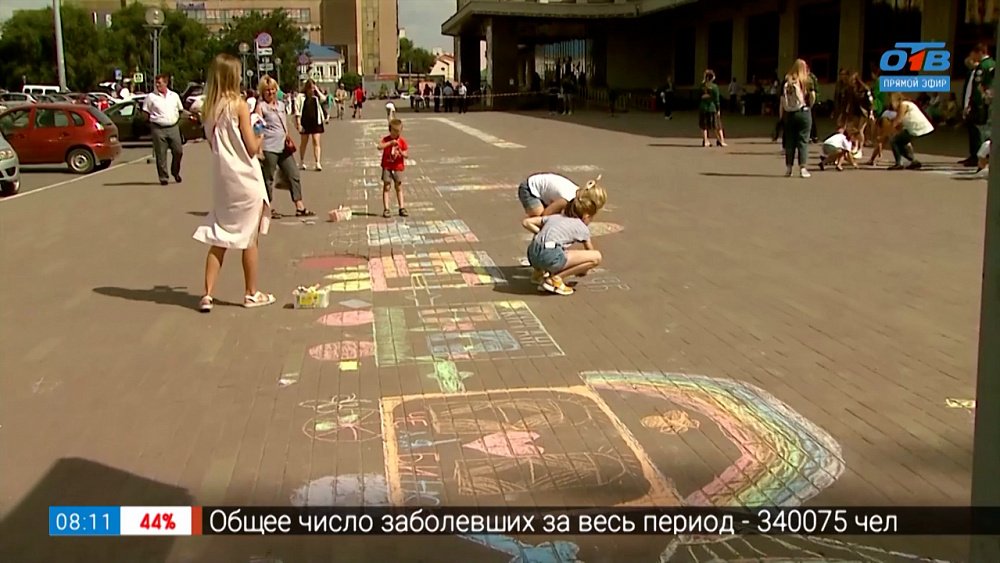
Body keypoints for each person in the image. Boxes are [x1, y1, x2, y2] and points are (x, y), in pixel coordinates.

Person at [192, 54, 275, 312]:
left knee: (220, 236)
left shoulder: (208, 109)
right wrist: (260, 135)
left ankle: (207, 294)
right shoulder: (238, 105)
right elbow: (251, 147)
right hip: (246, 180)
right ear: (233, 76)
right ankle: (251, 293)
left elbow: (212, 145)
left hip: (223, 181)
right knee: (249, 237)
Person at [521, 182, 608, 296]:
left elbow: (526, 222)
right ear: (586, 216)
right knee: (596, 257)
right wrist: (583, 270)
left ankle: (538, 275)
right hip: (549, 256)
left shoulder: (555, 217)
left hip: (532, 254)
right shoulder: (581, 227)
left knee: (556, 249)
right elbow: (591, 252)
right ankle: (556, 279)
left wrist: (541, 233)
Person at [255, 76, 314, 219]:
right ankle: (268, 208)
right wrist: (258, 148)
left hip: (283, 145)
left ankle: (299, 206)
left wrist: (287, 134)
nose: (271, 92)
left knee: (293, 174)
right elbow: (257, 128)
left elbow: (284, 122)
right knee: (268, 178)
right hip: (269, 146)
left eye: (273, 89)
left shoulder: (281, 105)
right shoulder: (261, 107)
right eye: (267, 90)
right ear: (263, 92)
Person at [142, 74, 185, 186]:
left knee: (178, 151)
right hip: (158, 128)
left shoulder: (174, 96)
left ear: (166, 83)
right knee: (161, 154)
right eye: (156, 83)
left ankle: (175, 172)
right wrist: (150, 124)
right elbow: (145, 112)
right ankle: (163, 177)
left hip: (173, 127)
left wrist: (176, 120)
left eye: (159, 83)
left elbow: (180, 110)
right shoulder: (151, 97)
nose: (157, 85)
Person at [960, 43, 995, 166]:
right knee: (977, 130)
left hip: (981, 104)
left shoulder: (984, 66)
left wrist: (974, 103)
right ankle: (976, 156)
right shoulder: (989, 64)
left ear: (980, 52)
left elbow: (979, 88)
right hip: (983, 103)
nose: (972, 56)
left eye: (974, 53)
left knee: (979, 131)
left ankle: (980, 157)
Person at [780, 59, 816, 178]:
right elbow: (812, 96)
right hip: (803, 112)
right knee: (803, 140)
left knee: (790, 141)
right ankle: (803, 168)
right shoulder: (806, 80)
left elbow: (781, 100)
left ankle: (789, 168)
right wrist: (809, 106)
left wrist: (782, 116)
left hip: (789, 113)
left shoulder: (787, 80)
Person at [886, 93, 934, 170]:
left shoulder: (903, 104)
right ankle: (913, 161)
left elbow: (898, 120)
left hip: (917, 128)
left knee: (894, 141)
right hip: (918, 128)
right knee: (901, 143)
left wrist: (886, 133)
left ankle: (899, 163)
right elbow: (901, 124)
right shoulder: (908, 104)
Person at [517, 172, 584, 219]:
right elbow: (545, 215)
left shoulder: (578, 193)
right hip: (530, 188)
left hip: (545, 191)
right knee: (540, 219)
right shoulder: (566, 199)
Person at [378, 118, 409, 218]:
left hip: (397, 167)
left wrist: (401, 152)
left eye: (398, 131)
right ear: (390, 130)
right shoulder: (386, 139)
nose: (396, 134)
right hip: (387, 166)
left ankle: (402, 207)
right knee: (387, 186)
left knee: (398, 186)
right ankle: (386, 208)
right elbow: (379, 146)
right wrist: (390, 143)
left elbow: (406, 154)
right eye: (394, 131)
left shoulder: (402, 141)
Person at [296, 80, 325, 171]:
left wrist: (318, 91)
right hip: (305, 121)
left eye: (313, 88)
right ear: (307, 88)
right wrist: (298, 123)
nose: (312, 90)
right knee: (304, 142)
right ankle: (301, 161)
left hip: (316, 122)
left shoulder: (316, 97)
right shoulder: (301, 97)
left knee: (316, 141)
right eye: (311, 88)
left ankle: (317, 162)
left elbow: (324, 99)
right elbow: (297, 110)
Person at [698, 69, 724, 147]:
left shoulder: (701, 86)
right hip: (712, 107)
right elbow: (717, 100)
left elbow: (698, 96)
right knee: (716, 125)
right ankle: (720, 140)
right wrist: (718, 109)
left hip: (702, 107)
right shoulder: (714, 87)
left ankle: (705, 140)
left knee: (704, 125)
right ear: (712, 77)